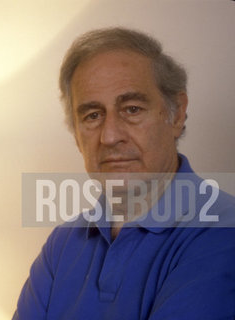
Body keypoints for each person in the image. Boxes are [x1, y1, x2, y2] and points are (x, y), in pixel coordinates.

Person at [13, 27, 235, 319]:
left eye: (131, 109)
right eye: (92, 115)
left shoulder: (222, 232)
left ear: (176, 114)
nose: (109, 136)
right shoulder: (63, 241)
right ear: (76, 135)